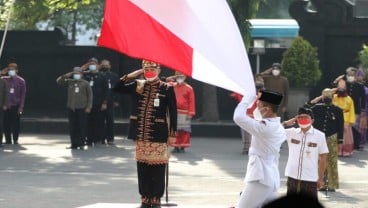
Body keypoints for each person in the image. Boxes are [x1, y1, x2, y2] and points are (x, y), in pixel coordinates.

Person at [113, 60, 177, 208]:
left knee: (158, 168)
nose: (149, 72)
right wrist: (133, 75)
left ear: (159, 70)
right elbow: (117, 88)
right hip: (141, 134)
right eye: (146, 69)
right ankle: (145, 197)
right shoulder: (138, 85)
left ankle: (156, 198)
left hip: (159, 133)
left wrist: (172, 133)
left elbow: (172, 112)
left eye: (152, 69)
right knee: (142, 168)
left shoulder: (166, 88)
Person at [233, 89, 285, 208]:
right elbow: (258, 118)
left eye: (259, 105)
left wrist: (246, 99)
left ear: (266, 109)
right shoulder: (278, 127)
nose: (256, 107)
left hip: (260, 178)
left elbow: (238, 117)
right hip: (270, 178)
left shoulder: (265, 128)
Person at [282, 107, 329, 199]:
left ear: (312, 120)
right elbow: (272, 131)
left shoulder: (320, 136)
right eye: (300, 117)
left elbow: (323, 157)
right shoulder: (291, 133)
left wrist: (320, 178)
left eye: (306, 117)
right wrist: (286, 123)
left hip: (310, 177)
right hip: (292, 176)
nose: (302, 119)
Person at [307, 88, 344, 192]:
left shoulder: (337, 109)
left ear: (332, 96)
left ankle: (332, 184)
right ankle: (321, 183)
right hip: (319, 137)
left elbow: (340, 126)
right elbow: (306, 107)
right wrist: (317, 99)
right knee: (319, 161)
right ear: (322, 96)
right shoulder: (316, 108)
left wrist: (340, 140)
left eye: (329, 95)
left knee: (332, 161)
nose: (327, 97)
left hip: (332, 137)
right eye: (325, 95)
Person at [56, 67, 92, 149]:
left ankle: (81, 143)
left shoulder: (85, 83)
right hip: (72, 108)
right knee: (72, 127)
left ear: (81, 74)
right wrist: (66, 75)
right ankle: (74, 144)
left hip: (82, 108)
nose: (76, 75)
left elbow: (90, 96)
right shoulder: (70, 82)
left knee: (81, 126)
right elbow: (58, 81)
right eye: (75, 73)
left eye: (78, 73)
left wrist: (89, 106)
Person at [333, 67, 366, 150]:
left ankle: (356, 145)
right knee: (343, 128)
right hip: (343, 108)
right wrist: (336, 81)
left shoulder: (360, 86)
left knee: (355, 127)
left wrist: (362, 109)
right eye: (349, 74)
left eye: (352, 75)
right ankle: (342, 145)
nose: (350, 76)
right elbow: (333, 89)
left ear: (355, 76)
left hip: (355, 108)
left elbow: (363, 98)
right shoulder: (343, 84)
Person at [230, 75, 264, 155]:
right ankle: (248, 148)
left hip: (253, 115)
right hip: (250, 114)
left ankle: (248, 148)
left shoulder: (248, 93)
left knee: (248, 132)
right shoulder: (247, 92)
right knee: (249, 132)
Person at [166, 71, 195, 153]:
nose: (180, 77)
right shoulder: (172, 85)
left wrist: (190, 113)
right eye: (178, 76)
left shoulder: (189, 88)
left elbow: (191, 101)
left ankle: (182, 146)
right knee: (175, 130)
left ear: (185, 77)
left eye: (181, 76)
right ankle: (176, 146)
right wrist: (172, 77)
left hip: (185, 113)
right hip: (173, 111)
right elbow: (166, 82)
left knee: (184, 130)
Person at [82, 57, 109, 146]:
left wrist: (104, 102)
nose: (92, 66)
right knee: (88, 122)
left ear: (97, 65)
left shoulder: (102, 76)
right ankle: (89, 139)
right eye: (90, 64)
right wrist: (85, 67)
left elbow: (106, 90)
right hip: (88, 104)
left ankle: (98, 139)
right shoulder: (86, 75)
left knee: (98, 122)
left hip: (99, 103)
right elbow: (77, 72)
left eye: (94, 64)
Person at [1, 63, 26, 145]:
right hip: (6, 105)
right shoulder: (4, 79)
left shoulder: (21, 81)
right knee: (6, 123)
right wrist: (1, 72)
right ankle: (8, 140)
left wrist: (21, 107)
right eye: (9, 70)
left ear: (16, 70)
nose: (10, 71)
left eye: (12, 69)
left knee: (16, 123)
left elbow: (23, 95)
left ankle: (15, 139)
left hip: (16, 105)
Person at [332, 79, 356, 157]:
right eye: (340, 88)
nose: (341, 90)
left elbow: (352, 110)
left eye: (342, 88)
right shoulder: (334, 97)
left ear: (345, 89)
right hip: (336, 119)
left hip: (346, 119)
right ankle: (337, 151)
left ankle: (346, 151)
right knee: (337, 135)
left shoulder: (349, 99)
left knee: (347, 137)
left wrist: (352, 120)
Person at [99, 59, 120, 145]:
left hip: (111, 101)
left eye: (106, 65)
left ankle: (110, 138)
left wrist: (117, 100)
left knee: (110, 120)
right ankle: (101, 138)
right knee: (100, 120)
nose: (105, 67)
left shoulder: (114, 76)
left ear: (110, 66)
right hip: (100, 102)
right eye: (103, 65)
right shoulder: (99, 75)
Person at [0, 76, 8, 146]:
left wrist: (5, 104)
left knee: (0, 124)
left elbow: (6, 94)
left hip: (1, 106)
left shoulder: (3, 82)